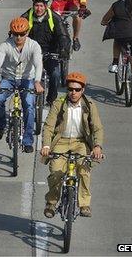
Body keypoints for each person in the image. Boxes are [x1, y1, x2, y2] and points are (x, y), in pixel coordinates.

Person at [40, 72, 104, 218]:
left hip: (80, 142)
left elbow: (97, 128)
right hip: (61, 141)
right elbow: (49, 126)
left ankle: (84, 204)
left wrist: (97, 147)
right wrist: (46, 146)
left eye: (77, 90)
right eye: (70, 89)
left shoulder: (89, 106)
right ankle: (51, 203)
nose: (73, 93)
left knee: (84, 170)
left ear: (83, 90)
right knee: (56, 171)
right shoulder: (58, 104)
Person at [0, 17, 43, 153]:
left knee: (29, 106)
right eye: (15, 34)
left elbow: (38, 64)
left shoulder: (34, 45)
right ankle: (0, 126)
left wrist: (37, 81)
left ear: (27, 32)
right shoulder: (5, 46)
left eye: (22, 34)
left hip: (27, 79)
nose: (18, 37)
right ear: (11, 33)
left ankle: (27, 141)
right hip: (9, 78)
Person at [21, 0, 71, 105]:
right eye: (36, 6)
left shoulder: (54, 18)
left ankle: (51, 99)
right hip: (32, 53)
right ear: (33, 6)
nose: (38, 9)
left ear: (46, 6)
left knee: (55, 75)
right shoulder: (25, 17)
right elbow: (17, 32)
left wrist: (63, 49)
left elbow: (63, 35)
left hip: (50, 52)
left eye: (41, 6)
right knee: (23, 76)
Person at [101, 0, 132, 90]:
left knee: (117, 41)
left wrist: (104, 22)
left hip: (122, 36)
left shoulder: (116, 5)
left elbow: (106, 18)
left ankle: (114, 64)